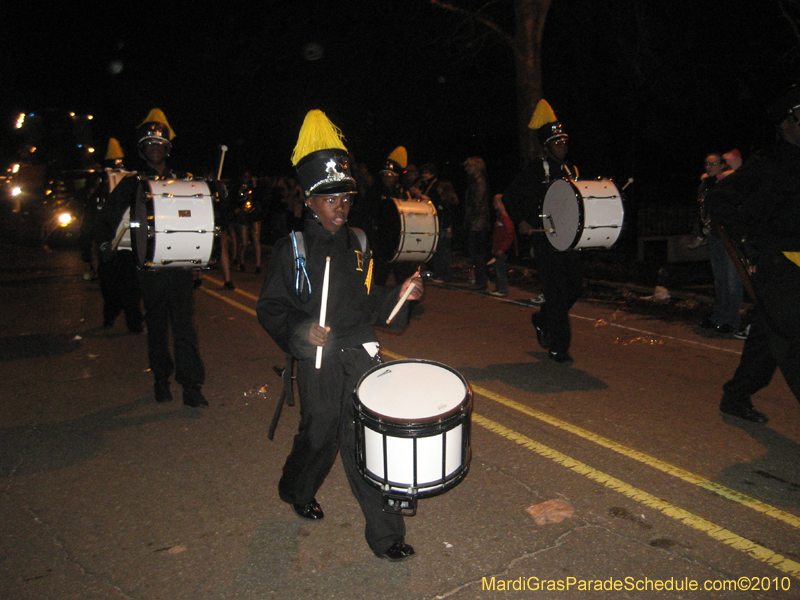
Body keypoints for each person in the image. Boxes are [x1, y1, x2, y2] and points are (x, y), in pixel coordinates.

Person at [257, 110, 423, 561]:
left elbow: (369, 305)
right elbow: (270, 308)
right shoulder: (292, 249)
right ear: (310, 200)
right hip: (318, 359)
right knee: (320, 434)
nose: (341, 207)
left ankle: (387, 537)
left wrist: (401, 297)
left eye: (345, 198)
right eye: (330, 199)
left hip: (360, 352)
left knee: (364, 441)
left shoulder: (359, 245)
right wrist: (299, 331)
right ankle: (296, 488)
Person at [95, 109, 209, 407]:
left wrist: (215, 191)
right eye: (149, 144)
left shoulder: (183, 181)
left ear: (167, 148)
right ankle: (161, 379)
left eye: (159, 143)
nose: (155, 147)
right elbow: (107, 217)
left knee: (185, 327)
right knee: (157, 325)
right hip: (148, 267)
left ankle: (191, 386)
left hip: (180, 267)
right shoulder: (132, 183)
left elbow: (199, 213)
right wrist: (105, 242)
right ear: (143, 150)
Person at [704, 84, 800, 423]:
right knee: (791, 337)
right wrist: (744, 243)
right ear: (787, 123)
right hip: (777, 263)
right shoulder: (768, 163)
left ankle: (736, 395)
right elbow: (720, 199)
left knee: (767, 334)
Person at [503, 99, 583, 365]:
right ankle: (559, 347)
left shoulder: (572, 170)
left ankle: (542, 317)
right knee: (557, 293)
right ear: (547, 146)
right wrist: (522, 221)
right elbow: (511, 197)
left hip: (570, 241)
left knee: (576, 288)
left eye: (564, 142)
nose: (562, 146)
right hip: (545, 238)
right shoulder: (535, 169)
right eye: (557, 143)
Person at [697, 152, 744, 335]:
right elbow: (702, 209)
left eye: (714, 164)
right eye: (707, 164)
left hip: (729, 234)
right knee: (720, 279)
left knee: (732, 280)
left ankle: (732, 320)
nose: (710, 167)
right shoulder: (706, 185)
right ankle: (718, 317)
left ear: (722, 165)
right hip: (715, 234)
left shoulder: (729, 181)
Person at [462, 157, 491, 291]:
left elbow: (478, 203)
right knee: (476, 252)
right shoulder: (476, 181)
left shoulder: (479, 181)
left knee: (477, 253)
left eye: (469, 166)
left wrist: (472, 219)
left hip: (478, 222)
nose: (467, 169)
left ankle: (481, 280)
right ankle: (481, 279)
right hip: (477, 220)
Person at [430, 177, 458, 283]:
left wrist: (448, 228)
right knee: (441, 252)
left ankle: (444, 275)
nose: (437, 190)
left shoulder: (447, 202)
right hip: (443, 229)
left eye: (439, 188)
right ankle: (440, 274)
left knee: (443, 253)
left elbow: (449, 217)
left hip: (445, 230)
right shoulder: (444, 201)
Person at [488, 194, 516, 297]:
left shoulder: (505, 218)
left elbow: (509, 235)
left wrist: (502, 248)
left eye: (496, 202)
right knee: (497, 269)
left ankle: (503, 290)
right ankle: (499, 288)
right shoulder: (499, 217)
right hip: (498, 248)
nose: (494, 204)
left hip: (502, 249)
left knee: (500, 270)